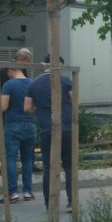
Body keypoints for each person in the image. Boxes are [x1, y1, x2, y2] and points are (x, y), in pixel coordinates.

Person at [24, 54, 73, 213]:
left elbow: (27, 108)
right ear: (59, 64)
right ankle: (72, 201)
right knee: (69, 165)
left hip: (46, 129)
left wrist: (39, 112)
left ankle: (49, 204)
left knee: (48, 167)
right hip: (66, 128)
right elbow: (75, 101)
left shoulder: (34, 84)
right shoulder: (66, 81)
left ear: (44, 64)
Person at [0, 66, 37, 203]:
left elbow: (3, 107)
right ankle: (27, 191)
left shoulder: (8, 85)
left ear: (10, 70)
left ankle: (13, 193)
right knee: (27, 159)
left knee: (11, 158)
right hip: (30, 124)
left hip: (13, 124)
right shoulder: (32, 83)